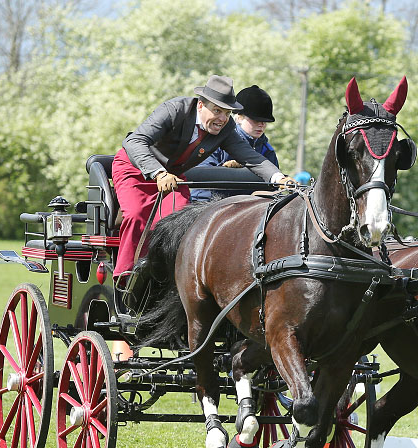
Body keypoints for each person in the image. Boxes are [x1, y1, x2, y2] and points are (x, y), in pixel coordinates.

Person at [111, 75, 292, 294]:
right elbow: (134, 142)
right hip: (135, 168)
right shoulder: (174, 109)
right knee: (137, 214)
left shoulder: (224, 129)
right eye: (217, 110)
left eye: (227, 113)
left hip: (172, 175)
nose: (222, 118)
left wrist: (279, 179)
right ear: (201, 104)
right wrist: (158, 172)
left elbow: (250, 157)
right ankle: (127, 279)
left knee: (180, 220)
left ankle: (165, 278)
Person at [190, 84, 279, 202]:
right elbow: (202, 176)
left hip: (249, 209)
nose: (261, 124)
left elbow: (273, 191)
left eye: (265, 121)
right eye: (256, 120)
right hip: (209, 204)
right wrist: (226, 170)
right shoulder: (217, 140)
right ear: (239, 117)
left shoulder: (267, 151)